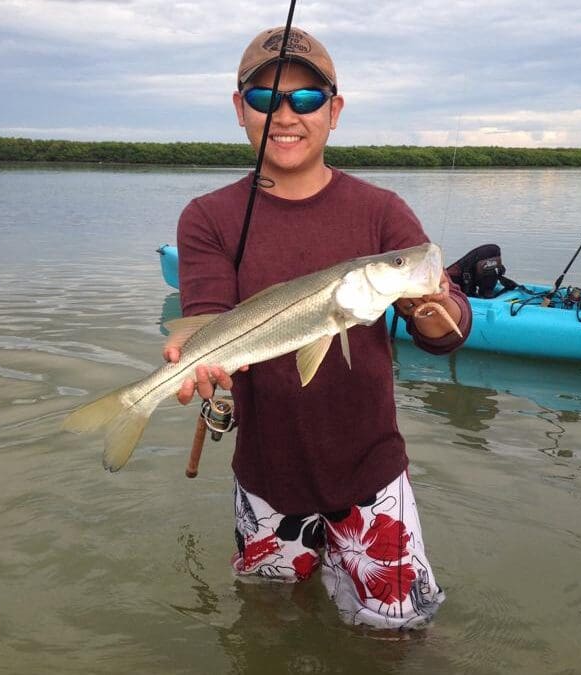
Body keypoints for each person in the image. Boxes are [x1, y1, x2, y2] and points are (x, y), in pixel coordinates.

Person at [164, 26, 472, 630]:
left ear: (334, 111)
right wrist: (195, 360)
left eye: (306, 100)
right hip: (265, 478)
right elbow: (206, 318)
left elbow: (451, 329)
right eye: (265, 99)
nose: (287, 115)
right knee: (266, 628)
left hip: (372, 475)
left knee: (399, 636)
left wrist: (434, 310)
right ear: (239, 109)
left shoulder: (381, 211)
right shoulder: (207, 218)